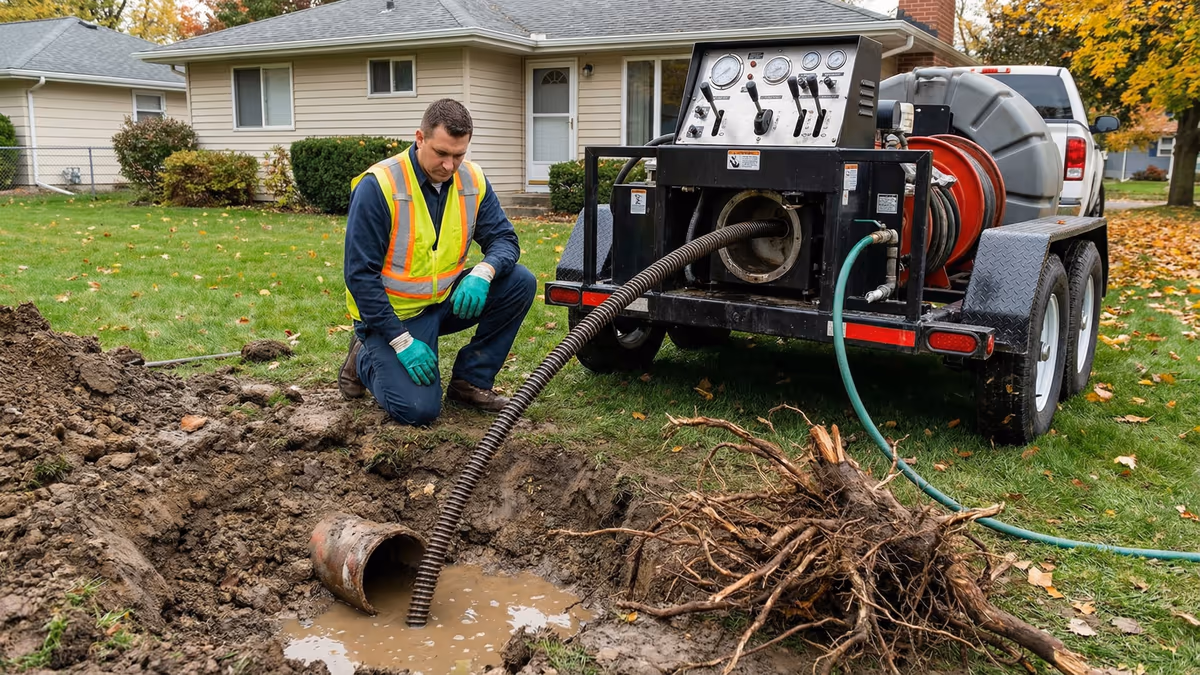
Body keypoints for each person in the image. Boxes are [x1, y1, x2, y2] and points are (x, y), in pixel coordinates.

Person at [338, 98, 536, 425]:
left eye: (459, 155)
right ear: (420, 138)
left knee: (519, 281)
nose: (449, 166)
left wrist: (483, 272)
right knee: (418, 410)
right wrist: (401, 342)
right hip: (393, 316)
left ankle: (470, 382)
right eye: (441, 153)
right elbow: (360, 276)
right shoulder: (380, 186)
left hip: (443, 302)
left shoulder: (472, 180)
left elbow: (504, 239)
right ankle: (363, 357)